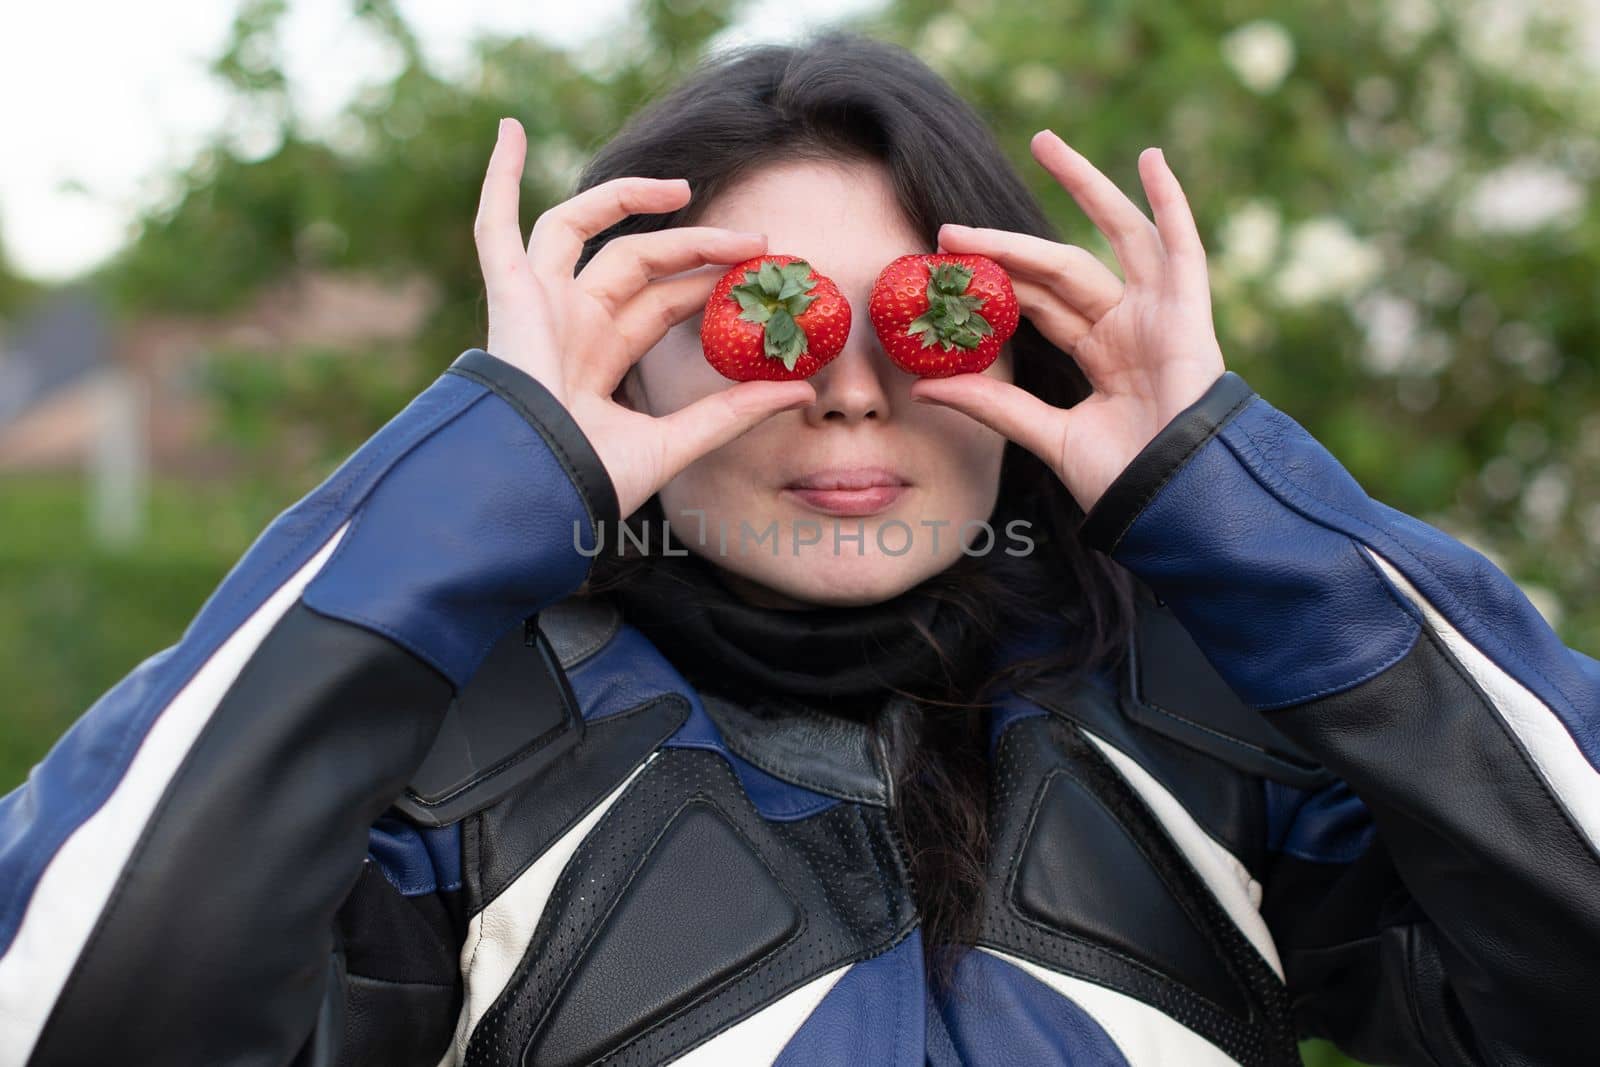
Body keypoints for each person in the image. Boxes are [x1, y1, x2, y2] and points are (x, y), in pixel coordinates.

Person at [1, 29, 1596, 1067]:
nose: (847, 392)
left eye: (935, 321)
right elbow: (66, 1010)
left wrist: (1240, 505)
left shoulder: (1206, 728)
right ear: (615, 369)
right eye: (756, 324)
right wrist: (465, 490)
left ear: (1031, 358)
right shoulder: (448, 777)